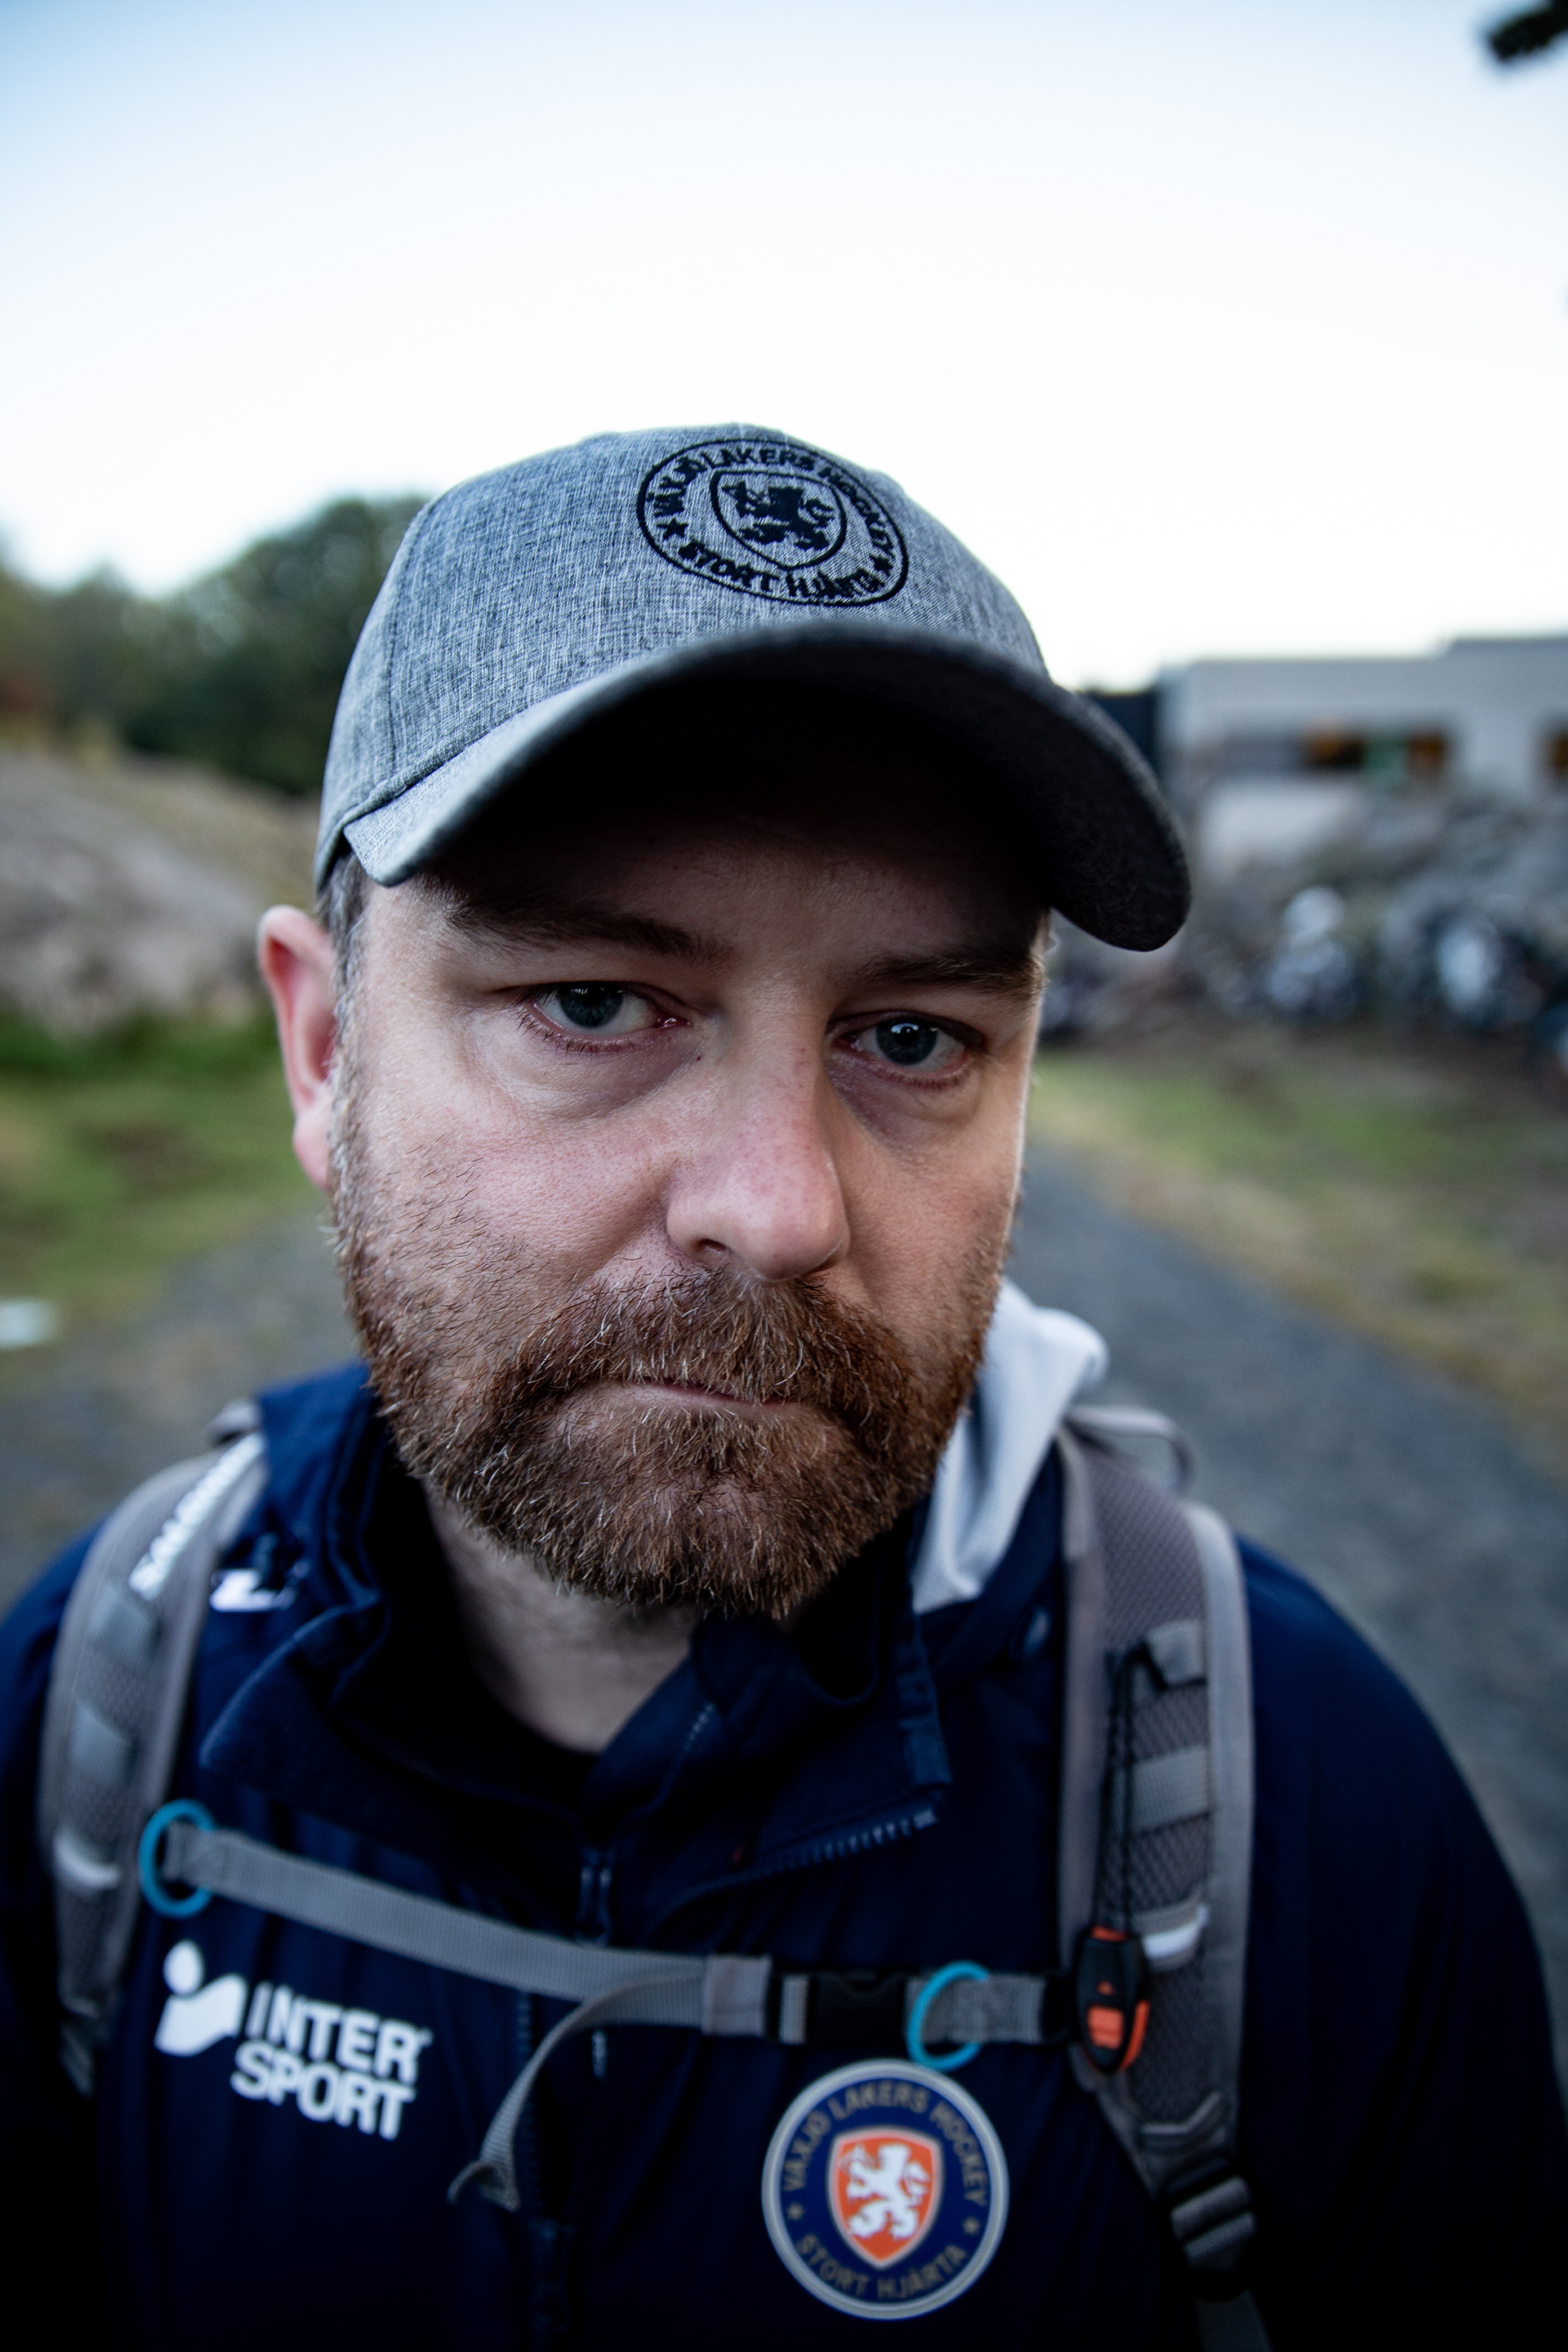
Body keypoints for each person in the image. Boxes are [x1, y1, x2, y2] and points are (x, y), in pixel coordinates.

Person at [1, 427, 1562, 2349]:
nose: (780, 1206)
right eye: (593, 1004)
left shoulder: (1305, 1817)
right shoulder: (92, 1706)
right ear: (326, 1053)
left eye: (910, 1037)